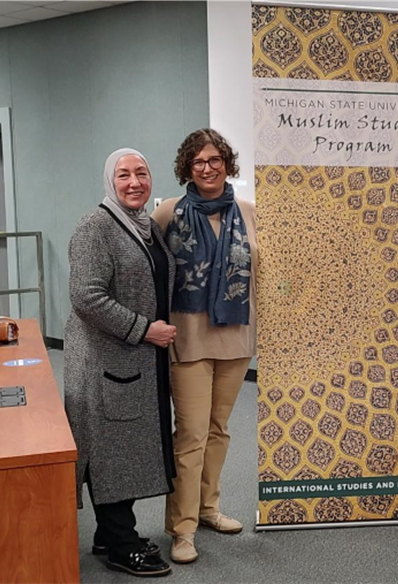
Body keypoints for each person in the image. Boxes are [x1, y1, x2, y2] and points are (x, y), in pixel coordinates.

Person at [64, 148, 178, 577]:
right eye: (124, 175)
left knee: (126, 446)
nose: (135, 182)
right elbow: (87, 297)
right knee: (111, 452)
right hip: (105, 361)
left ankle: (108, 535)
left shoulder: (146, 227)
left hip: (134, 360)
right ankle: (121, 544)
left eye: (142, 173)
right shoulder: (96, 227)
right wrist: (144, 329)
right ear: (110, 180)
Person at [151, 129, 257, 564]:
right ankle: (182, 528)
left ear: (226, 163)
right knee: (191, 435)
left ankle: (208, 507)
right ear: (187, 168)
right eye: (199, 162)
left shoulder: (249, 212)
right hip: (188, 340)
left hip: (236, 338)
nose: (208, 168)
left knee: (218, 430)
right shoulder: (167, 213)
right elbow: (151, 272)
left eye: (215, 160)